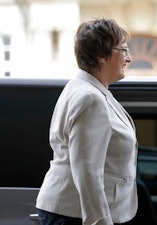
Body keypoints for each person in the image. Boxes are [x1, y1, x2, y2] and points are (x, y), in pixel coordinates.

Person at [36, 18, 138, 225]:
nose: (129, 58)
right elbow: (88, 171)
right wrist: (99, 221)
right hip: (77, 214)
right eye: (124, 50)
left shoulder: (87, 89)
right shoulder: (90, 98)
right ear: (101, 55)